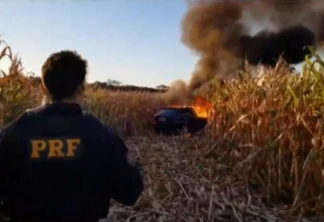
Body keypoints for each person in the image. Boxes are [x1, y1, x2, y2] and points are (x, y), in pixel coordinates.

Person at [0, 50, 144, 222]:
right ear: (82, 87)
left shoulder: (13, 133)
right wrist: (136, 167)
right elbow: (129, 193)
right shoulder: (102, 136)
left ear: (43, 87)